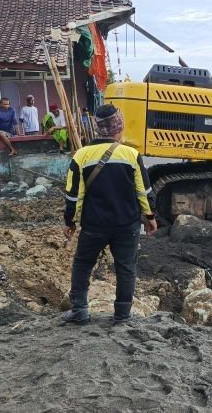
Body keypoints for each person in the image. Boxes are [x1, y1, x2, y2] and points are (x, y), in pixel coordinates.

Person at [61, 104, 157, 325]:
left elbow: (74, 195)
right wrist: (150, 217)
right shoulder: (131, 154)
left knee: (83, 264)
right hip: (127, 225)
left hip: (94, 225)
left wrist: (69, 221)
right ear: (119, 128)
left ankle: (80, 312)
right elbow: (143, 191)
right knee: (126, 268)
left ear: (97, 129)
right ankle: (122, 316)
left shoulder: (81, 156)